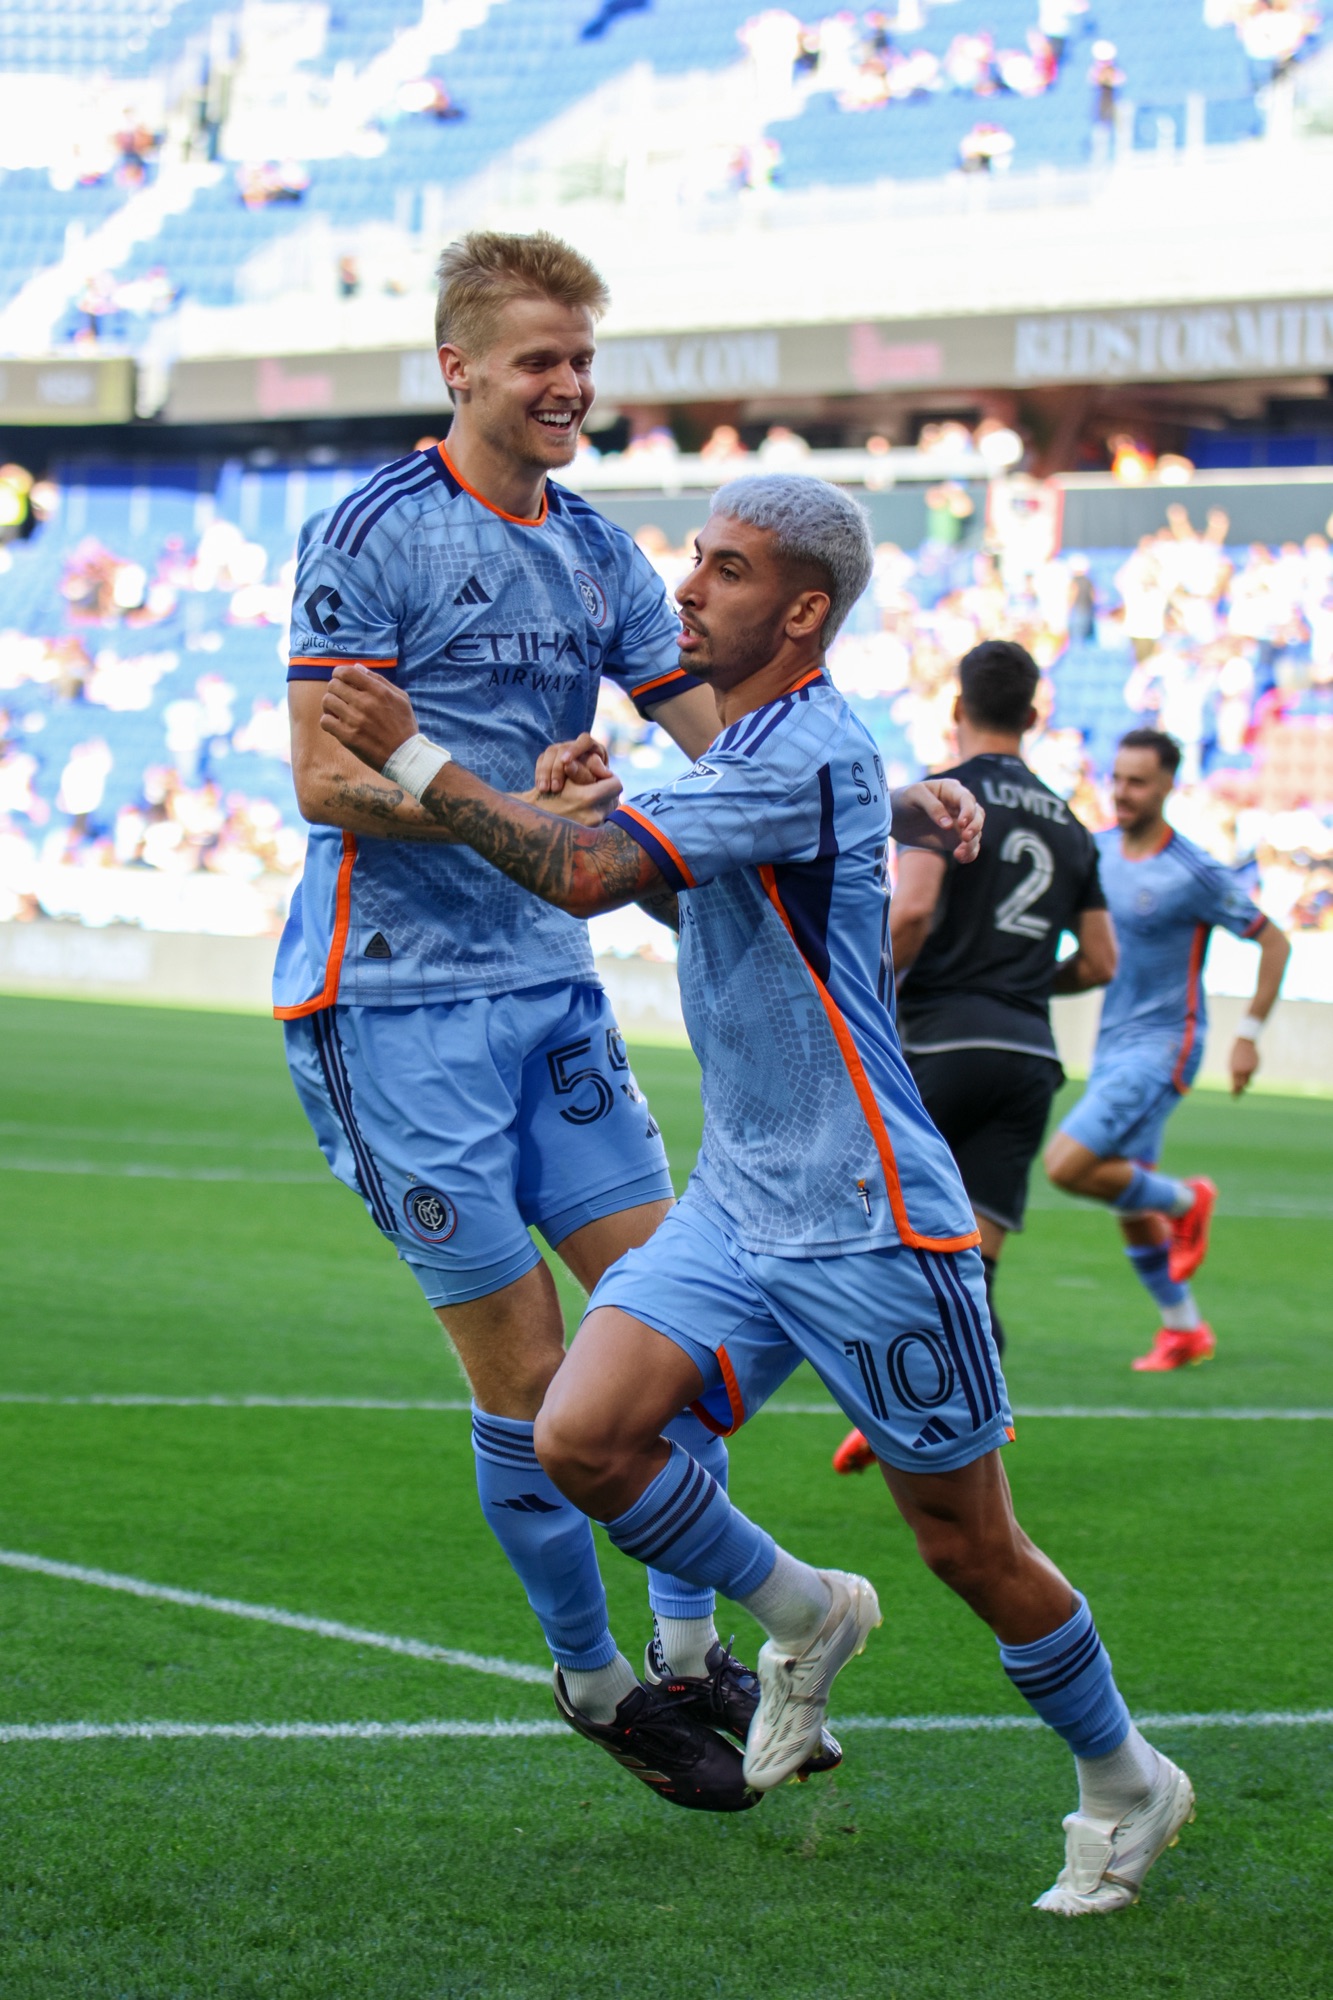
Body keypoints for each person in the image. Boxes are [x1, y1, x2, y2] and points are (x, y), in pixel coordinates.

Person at [322, 475, 1196, 1917]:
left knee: (967, 1542)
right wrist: (588, 813)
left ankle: (1123, 1780)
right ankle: (801, 1607)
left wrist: (418, 754)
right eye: (692, 559)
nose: (686, 590)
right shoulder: (759, 749)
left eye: (722, 570)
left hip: (870, 1215)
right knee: (582, 1438)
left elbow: (589, 876)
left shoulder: (807, 750)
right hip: (741, 1198)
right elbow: (658, 877)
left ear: (800, 612)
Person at [281, 227, 804, 1813]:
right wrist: (522, 806)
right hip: (390, 1012)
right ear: (462, 370)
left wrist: (859, 780)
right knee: (525, 1381)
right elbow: (324, 779)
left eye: (583, 359)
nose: (572, 385)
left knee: (668, 1333)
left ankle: (691, 1640)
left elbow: (725, 738)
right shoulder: (369, 530)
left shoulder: (592, 552)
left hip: (549, 992)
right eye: (540, 361)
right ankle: (596, 1687)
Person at [832, 639, 1115, 1476]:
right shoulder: (1071, 823)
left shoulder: (939, 798)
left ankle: (894, 1408)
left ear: (956, 710)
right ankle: (969, 1427)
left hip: (937, 1044)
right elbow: (1100, 962)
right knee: (973, 1261)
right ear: (1034, 716)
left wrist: (855, 991)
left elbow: (911, 913)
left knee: (873, 1238)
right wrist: (1020, 979)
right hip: (1026, 1054)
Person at [1044, 728, 1291, 1371]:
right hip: (1111, 1046)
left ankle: (1189, 1201)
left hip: (1164, 1047)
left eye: (1138, 782)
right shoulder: (1093, 852)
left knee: (1067, 1165)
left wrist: (1249, 1037)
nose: (1122, 793)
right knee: (1127, 1196)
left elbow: (1274, 941)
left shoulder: (1193, 872)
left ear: (1167, 787)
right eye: (1117, 779)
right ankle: (1184, 1328)